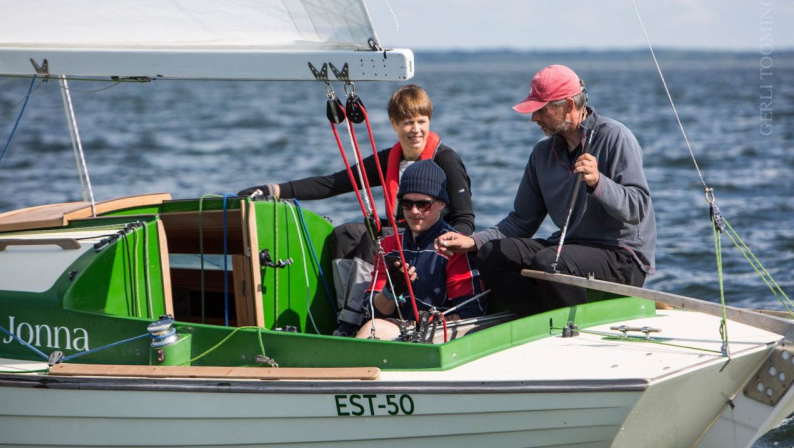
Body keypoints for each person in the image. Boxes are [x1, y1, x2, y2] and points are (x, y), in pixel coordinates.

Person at [238, 85, 475, 335]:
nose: (415, 129)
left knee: (371, 239)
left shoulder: (447, 160)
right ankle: (345, 314)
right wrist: (274, 190)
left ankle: (352, 323)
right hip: (404, 236)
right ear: (394, 124)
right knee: (344, 234)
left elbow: (465, 220)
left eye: (421, 121)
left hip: (433, 244)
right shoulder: (389, 159)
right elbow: (334, 183)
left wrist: (443, 251)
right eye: (407, 122)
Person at [434, 65, 656, 316]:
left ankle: (575, 325)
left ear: (568, 106)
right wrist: (473, 241)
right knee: (491, 254)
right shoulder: (542, 153)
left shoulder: (615, 137)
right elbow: (521, 221)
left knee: (549, 261)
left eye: (541, 109)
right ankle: (540, 320)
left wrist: (599, 183)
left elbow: (638, 209)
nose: (534, 118)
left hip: (622, 257)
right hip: (568, 250)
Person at [354, 160, 486, 340]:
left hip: (438, 338)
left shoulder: (455, 247)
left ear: (441, 204)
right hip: (396, 331)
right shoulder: (388, 246)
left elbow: (471, 313)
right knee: (373, 327)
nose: (414, 211)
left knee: (374, 329)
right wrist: (391, 292)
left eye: (423, 204)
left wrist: (425, 328)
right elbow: (370, 313)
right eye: (407, 204)